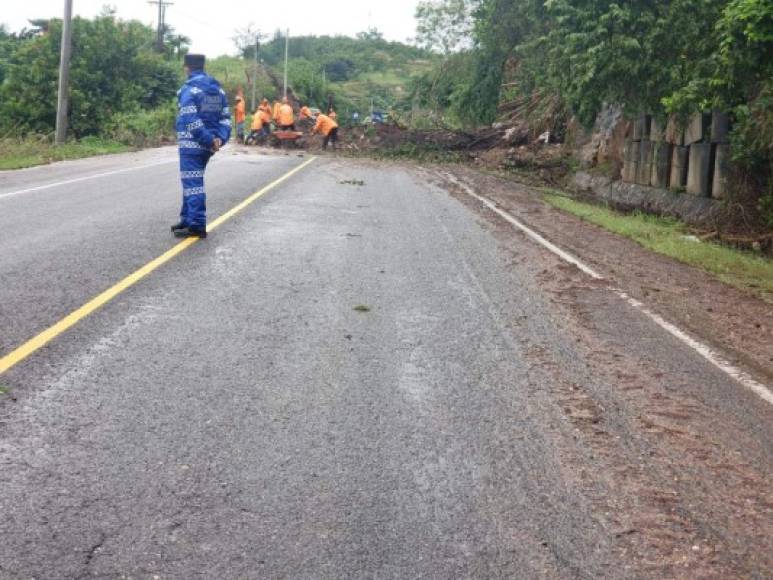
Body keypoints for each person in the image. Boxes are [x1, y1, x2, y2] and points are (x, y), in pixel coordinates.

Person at [171, 53, 231, 238]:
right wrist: (218, 139)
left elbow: (190, 119)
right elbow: (226, 119)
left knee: (193, 184)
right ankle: (187, 218)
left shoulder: (189, 90)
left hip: (192, 144)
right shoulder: (218, 91)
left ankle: (196, 224)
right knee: (191, 182)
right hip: (208, 146)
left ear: (187, 67)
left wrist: (207, 139)